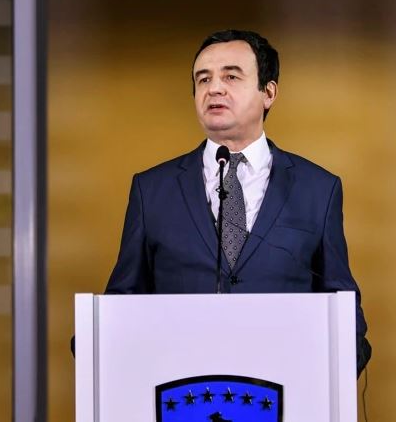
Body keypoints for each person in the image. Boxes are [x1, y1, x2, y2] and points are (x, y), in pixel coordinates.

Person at [103, 29, 371, 375]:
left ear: (268, 92)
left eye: (231, 76)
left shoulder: (317, 189)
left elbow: (342, 305)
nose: (214, 88)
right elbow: (122, 302)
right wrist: (99, 346)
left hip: (283, 387)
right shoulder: (151, 189)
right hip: (183, 388)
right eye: (203, 79)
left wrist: (337, 368)